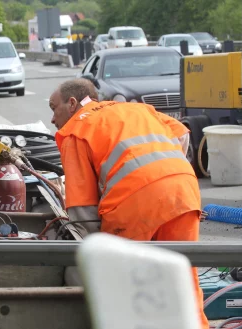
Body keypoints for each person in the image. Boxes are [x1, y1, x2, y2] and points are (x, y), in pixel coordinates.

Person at [49, 78, 209, 329]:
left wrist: (93, 254)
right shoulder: (136, 109)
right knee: (183, 276)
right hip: (183, 191)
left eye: (53, 107)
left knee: (128, 285)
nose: (52, 119)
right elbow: (181, 135)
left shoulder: (76, 130)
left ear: (71, 104)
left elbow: (83, 211)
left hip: (133, 202)